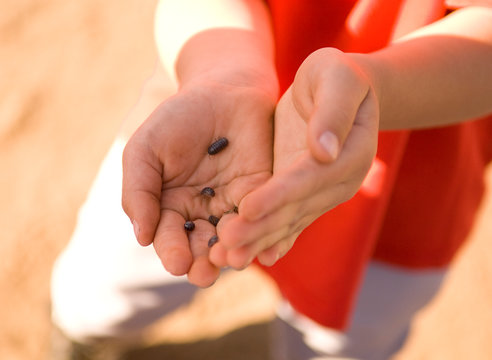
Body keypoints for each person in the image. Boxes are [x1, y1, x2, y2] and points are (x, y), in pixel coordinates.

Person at [51, 0, 492, 359]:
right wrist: (223, 73)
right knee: (94, 293)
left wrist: (374, 87)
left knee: (340, 343)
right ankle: (80, 339)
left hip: (401, 202)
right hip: (198, 124)